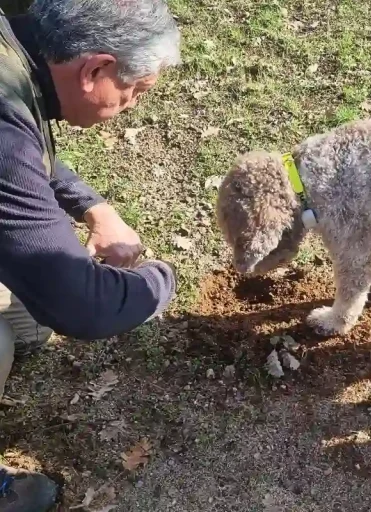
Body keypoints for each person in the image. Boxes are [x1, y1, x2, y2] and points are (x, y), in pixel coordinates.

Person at [0, 0, 181, 509]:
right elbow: (84, 306)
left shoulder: (15, 47)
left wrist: (92, 206)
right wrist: (159, 279)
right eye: (134, 90)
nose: (133, 104)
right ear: (96, 69)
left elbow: (27, 142)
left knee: (26, 325)